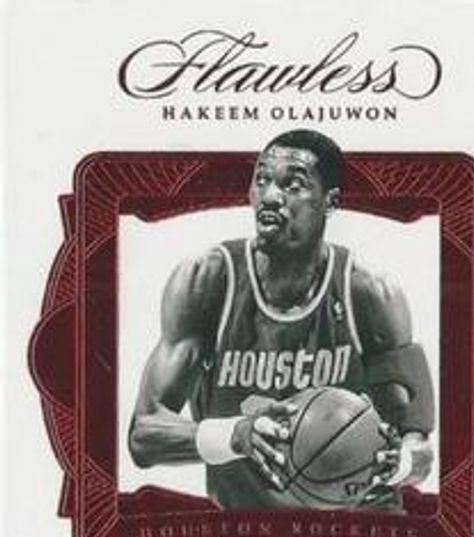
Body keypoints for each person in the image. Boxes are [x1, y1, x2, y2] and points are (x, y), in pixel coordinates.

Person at [129, 129, 434, 509]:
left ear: (330, 201)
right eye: (262, 180)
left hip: (355, 525)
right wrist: (236, 434)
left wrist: (399, 464)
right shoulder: (207, 280)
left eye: (293, 184)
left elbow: (419, 446)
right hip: (252, 529)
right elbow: (143, 436)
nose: (270, 196)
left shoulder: (370, 292)